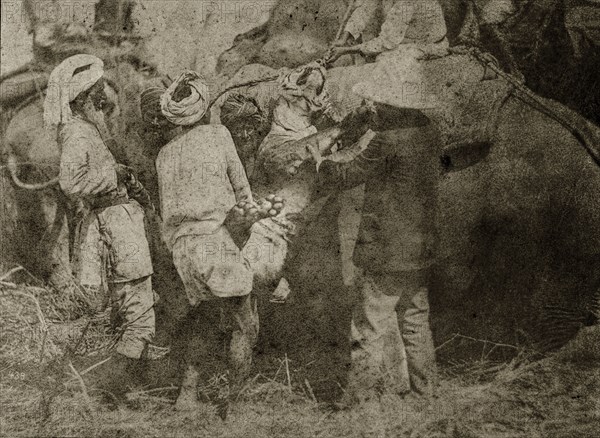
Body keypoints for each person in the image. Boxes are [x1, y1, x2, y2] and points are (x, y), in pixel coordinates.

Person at [140, 72, 282, 413]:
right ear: (205, 110)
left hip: (183, 249)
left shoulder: (164, 155)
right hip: (212, 240)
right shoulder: (219, 135)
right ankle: (235, 406)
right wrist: (258, 212)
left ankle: (186, 398)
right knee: (245, 323)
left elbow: (167, 210)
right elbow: (243, 194)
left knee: (203, 320)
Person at [44, 54, 164, 396]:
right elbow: (71, 182)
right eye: (98, 90)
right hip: (116, 223)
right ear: (83, 99)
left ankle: (126, 388)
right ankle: (108, 390)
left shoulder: (85, 130)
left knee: (132, 308)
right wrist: (117, 174)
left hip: (116, 220)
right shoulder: (78, 134)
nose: (104, 97)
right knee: (140, 316)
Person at [327, 0, 448, 64]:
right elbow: (365, 10)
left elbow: (387, 41)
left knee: (384, 59)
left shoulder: (406, 4)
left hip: (430, 45)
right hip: (405, 38)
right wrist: (345, 36)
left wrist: (345, 51)